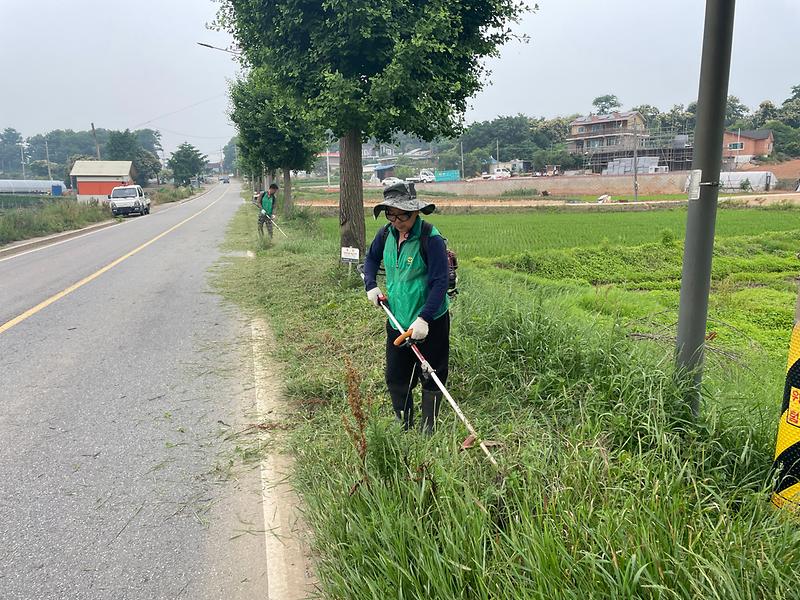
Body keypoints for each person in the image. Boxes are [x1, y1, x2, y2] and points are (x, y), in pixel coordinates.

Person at [363, 182, 450, 434]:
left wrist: (424, 318)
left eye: (404, 215)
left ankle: (428, 428)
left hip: (429, 321)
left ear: (416, 212)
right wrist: (371, 285)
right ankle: (405, 425)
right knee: (396, 376)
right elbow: (370, 259)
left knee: (432, 375)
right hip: (397, 320)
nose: (397, 220)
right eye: (392, 214)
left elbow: (439, 283)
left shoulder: (430, 239)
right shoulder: (384, 235)